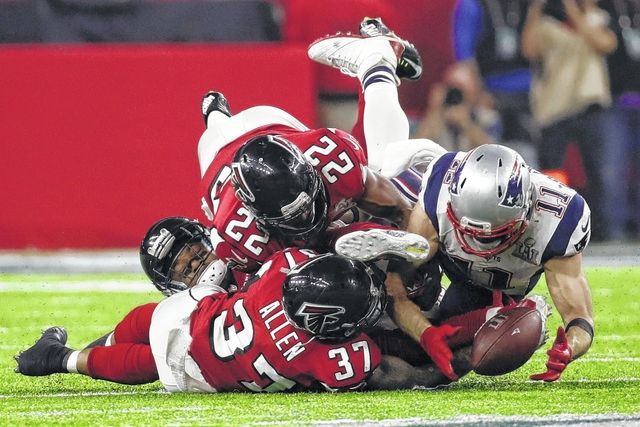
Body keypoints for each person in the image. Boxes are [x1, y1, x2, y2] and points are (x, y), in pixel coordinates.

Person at [15, 248, 465, 392]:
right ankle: (59, 357)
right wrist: (455, 367)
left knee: (156, 317)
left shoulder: (282, 269)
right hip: (199, 365)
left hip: (197, 308)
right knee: (155, 361)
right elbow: (401, 375)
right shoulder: (323, 358)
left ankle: (83, 344)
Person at [335, 143, 593, 382]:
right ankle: (375, 210)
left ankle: (511, 312)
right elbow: (396, 286)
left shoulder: (558, 221)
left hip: (491, 285)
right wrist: (425, 333)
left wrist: (569, 347)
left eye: (493, 236)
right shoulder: (440, 192)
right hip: (444, 253)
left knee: (460, 347)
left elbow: (579, 319)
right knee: (410, 274)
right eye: (468, 231)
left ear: (526, 213)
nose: (477, 243)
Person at [521, 0, 617, 241]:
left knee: (598, 171)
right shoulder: (547, 24)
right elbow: (530, 50)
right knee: (552, 171)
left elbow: (606, 44)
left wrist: (575, 11)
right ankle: (550, 228)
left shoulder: (599, 18)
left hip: (590, 104)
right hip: (556, 106)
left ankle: (602, 232)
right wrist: (535, 10)